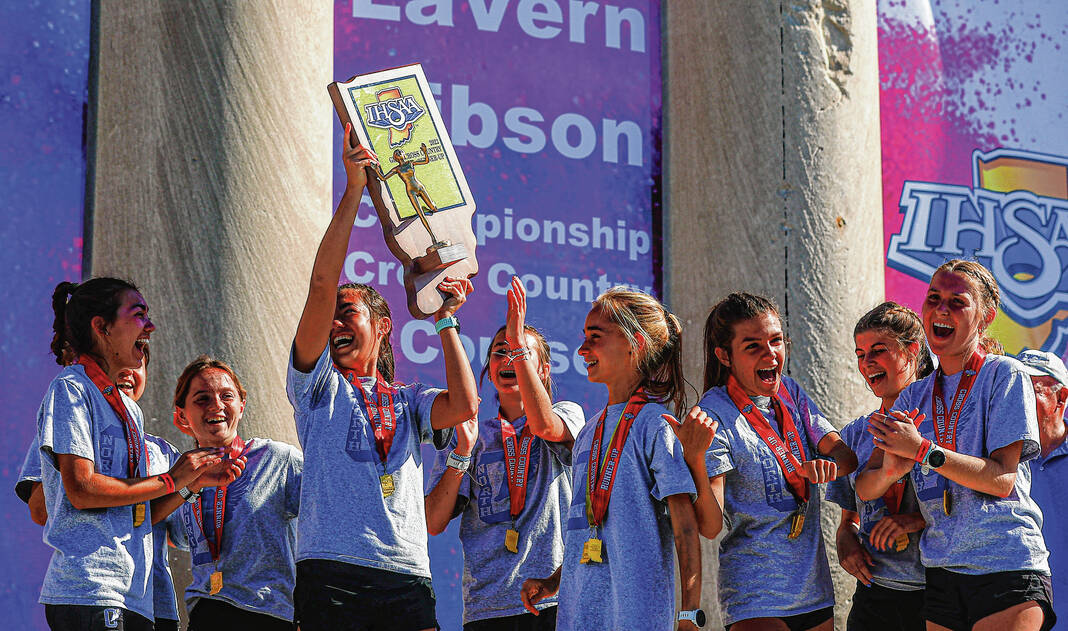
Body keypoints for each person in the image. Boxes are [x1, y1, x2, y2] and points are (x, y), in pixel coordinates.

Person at [288, 123, 480, 631]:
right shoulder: (318, 386)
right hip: (332, 570)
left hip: (405, 574)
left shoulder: (409, 400)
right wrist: (354, 189)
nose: (334, 325)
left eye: (347, 314)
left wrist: (445, 318)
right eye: (332, 318)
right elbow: (322, 283)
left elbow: (464, 405)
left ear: (382, 326)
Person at [858, 260, 1054, 631]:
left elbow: (1002, 479)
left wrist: (922, 452)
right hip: (941, 569)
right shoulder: (913, 395)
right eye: (933, 298)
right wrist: (888, 472)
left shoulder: (1004, 374)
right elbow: (865, 488)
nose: (941, 309)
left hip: (1006, 564)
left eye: (957, 302)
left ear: (985, 317)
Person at [37, 278, 242, 631]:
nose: (150, 326)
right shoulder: (71, 388)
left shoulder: (129, 409)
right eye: (138, 314)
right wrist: (170, 479)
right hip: (90, 587)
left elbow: (140, 516)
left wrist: (190, 485)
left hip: (136, 595)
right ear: (102, 327)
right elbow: (81, 490)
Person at [520, 287, 702, 631]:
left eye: (595, 337)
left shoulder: (655, 425)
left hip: (636, 618)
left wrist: (689, 613)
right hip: (578, 616)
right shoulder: (589, 431)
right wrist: (553, 582)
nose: (582, 349)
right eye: (583, 337)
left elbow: (686, 528)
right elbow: (590, 527)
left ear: (635, 343)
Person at [684, 291, 858, 631]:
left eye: (776, 341)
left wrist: (829, 467)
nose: (770, 354)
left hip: (814, 590)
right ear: (724, 355)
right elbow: (711, 526)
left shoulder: (791, 392)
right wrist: (694, 457)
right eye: (753, 346)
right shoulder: (713, 414)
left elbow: (846, 456)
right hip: (755, 594)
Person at [425, 277, 585, 630]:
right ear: (488, 368)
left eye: (519, 351)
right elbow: (434, 522)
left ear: (543, 370)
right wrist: (462, 452)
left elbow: (544, 427)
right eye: (500, 351)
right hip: (487, 607)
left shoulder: (566, 414)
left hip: (552, 602)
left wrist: (515, 340)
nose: (509, 358)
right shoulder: (470, 433)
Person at [17, 348, 187, 631]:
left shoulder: (166, 453)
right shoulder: (69, 423)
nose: (127, 371)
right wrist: (88, 472)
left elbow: (179, 535)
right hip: (95, 589)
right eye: (118, 361)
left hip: (156, 603)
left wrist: (193, 480)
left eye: (138, 364)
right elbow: (40, 510)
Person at [152, 355, 302, 630]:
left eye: (227, 396)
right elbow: (174, 536)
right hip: (205, 612)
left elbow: (327, 512)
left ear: (241, 406)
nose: (216, 405)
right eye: (202, 399)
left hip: (268, 614)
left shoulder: (278, 460)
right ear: (182, 415)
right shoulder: (180, 475)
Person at [825, 302, 933, 631]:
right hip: (874, 593)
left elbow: (970, 505)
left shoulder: (943, 426)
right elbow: (848, 522)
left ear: (912, 350)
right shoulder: (854, 434)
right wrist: (845, 542)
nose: (867, 362)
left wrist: (914, 520)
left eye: (878, 350)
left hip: (936, 591)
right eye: (860, 354)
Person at [1014, 349, 1068, 628]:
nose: (1016, 401)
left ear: (1061, 398)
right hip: (1017, 616)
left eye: (1030, 390)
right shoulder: (997, 460)